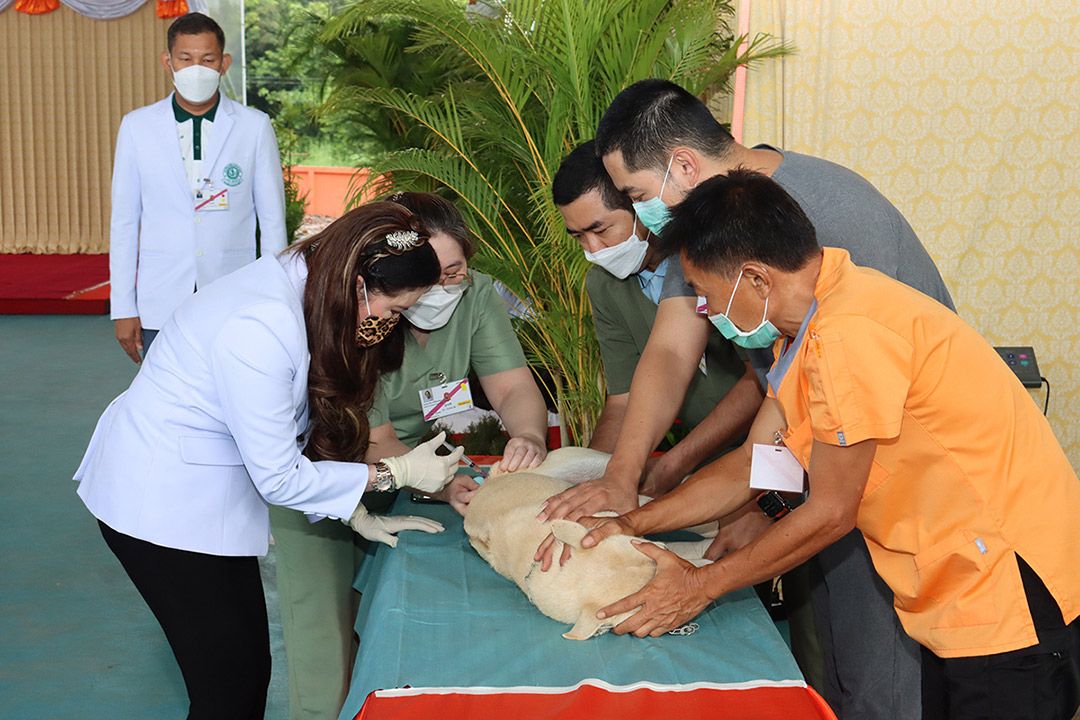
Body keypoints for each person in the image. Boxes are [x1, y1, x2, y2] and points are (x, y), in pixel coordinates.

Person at [579, 169, 1080, 720]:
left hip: (1008, 590)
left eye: (704, 293)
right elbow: (756, 464)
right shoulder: (804, 334)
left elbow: (832, 510)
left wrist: (701, 586)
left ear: (755, 280)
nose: (706, 311)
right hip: (954, 595)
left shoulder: (850, 333)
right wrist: (632, 521)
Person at [541, 79, 955, 719]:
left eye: (637, 197)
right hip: (817, 461)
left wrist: (735, 540)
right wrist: (624, 483)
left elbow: (838, 475)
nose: (641, 217)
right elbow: (676, 356)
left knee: (882, 675)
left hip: (900, 483)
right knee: (832, 666)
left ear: (683, 166)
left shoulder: (833, 218)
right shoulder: (708, 225)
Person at [75, 203, 465, 720]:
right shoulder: (262, 324)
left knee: (243, 676)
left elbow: (286, 427)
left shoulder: (311, 283)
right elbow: (279, 476)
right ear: (359, 287)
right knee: (227, 689)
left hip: (202, 495)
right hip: (161, 505)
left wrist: (351, 509)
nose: (390, 324)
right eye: (394, 311)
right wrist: (396, 472)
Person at [269, 191, 549, 720]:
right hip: (326, 474)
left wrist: (529, 436)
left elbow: (513, 386)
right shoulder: (368, 311)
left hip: (415, 472)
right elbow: (374, 440)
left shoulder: (476, 297)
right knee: (324, 641)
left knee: (384, 630)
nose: (442, 288)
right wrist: (444, 483)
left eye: (454, 272)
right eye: (428, 275)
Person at [551, 140, 756, 461]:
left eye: (601, 230)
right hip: (704, 457)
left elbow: (759, 379)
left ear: (640, 205)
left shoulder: (712, 256)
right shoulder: (604, 285)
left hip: (770, 442)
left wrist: (676, 463)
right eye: (579, 236)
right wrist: (592, 472)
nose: (593, 249)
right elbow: (623, 401)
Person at [109, 12, 286, 364]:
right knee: (163, 389)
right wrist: (124, 307)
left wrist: (276, 296)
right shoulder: (137, 127)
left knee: (232, 384)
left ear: (224, 63)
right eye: (185, 59)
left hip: (234, 293)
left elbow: (272, 221)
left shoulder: (253, 126)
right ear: (168, 62)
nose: (196, 69)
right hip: (160, 296)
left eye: (207, 59)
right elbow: (125, 223)